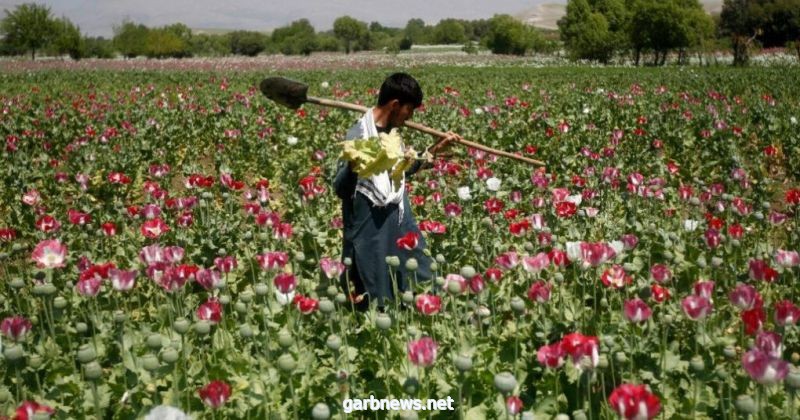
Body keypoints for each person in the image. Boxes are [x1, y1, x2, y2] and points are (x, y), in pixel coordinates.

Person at [333, 72, 460, 311]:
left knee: (423, 280)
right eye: (409, 111)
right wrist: (353, 164)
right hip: (371, 232)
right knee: (377, 298)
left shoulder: (391, 136)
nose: (410, 117)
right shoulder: (358, 136)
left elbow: (399, 171)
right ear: (395, 105)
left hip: (400, 224)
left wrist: (434, 150)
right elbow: (340, 188)